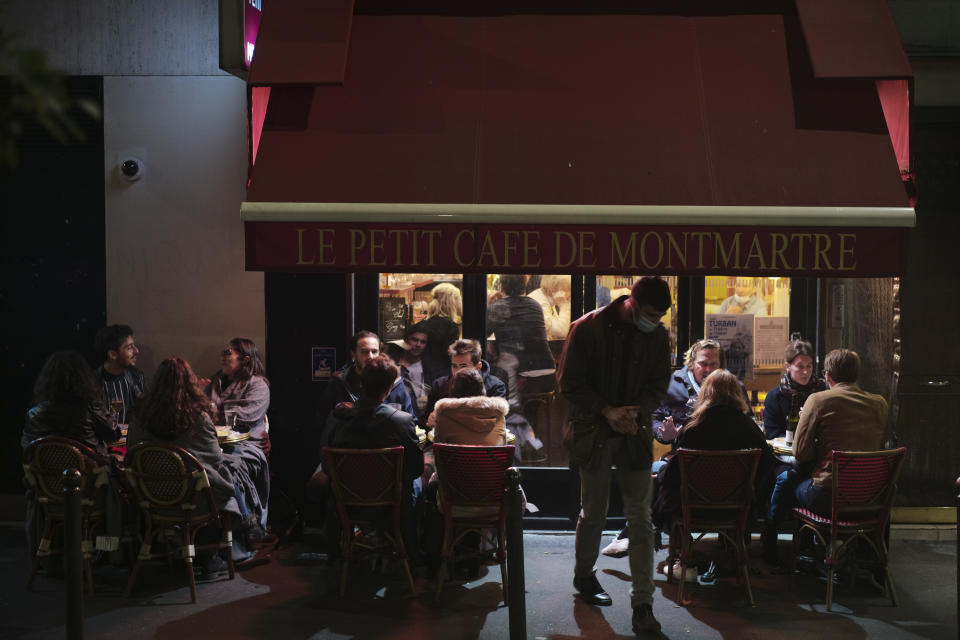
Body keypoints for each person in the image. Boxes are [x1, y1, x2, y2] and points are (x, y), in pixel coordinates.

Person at [558, 275, 672, 635]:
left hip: (632, 430)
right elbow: (568, 382)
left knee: (641, 519)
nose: (654, 321)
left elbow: (658, 382)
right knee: (594, 512)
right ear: (632, 304)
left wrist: (635, 412)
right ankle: (584, 575)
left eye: (660, 316)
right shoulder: (588, 328)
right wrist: (607, 410)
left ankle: (643, 603)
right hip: (594, 430)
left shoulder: (656, 334)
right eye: (651, 313)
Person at [603, 338, 748, 559]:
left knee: (663, 474)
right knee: (652, 471)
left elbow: (745, 425)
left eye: (713, 364)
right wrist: (664, 434)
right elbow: (654, 418)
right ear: (691, 362)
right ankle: (648, 532)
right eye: (703, 364)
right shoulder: (672, 385)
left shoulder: (733, 388)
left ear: (722, 365)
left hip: (721, 467)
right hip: (684, 460)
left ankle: (645, 532)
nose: (708, 369)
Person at [128, 357, 272, 576]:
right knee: (231, 470)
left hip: (151, 496)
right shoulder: (198, 418)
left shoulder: (139, 416)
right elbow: (213, 461)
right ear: (190, 383)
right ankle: (224, 545)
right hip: (195, 499)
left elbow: (132, 452)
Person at [323, 354, 424, 559]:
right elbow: (415, 469)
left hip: (348, 504)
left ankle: (339, 552)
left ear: (362, 383)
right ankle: (411, 550)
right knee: (417, 483)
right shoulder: (401, 421)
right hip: (391, 505)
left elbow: (327, 466)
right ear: (389, 388)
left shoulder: (337, 418)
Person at [652, 369, 776, 534]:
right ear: (736, 393)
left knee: (659, 469)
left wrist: (661, 473)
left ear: (705, 393)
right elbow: (766, 466)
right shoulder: (750, 428)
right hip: (737, 509)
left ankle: (672, 537)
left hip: (694, 508)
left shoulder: (693, 429)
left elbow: (675, 474)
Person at [792, 348, 889, 515]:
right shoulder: (880, 403)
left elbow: (799, 452)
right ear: (856, 374)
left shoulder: (817, 400)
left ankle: (802, 537)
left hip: (829, 496)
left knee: (790, 483)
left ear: (828, 376)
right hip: (870, 495)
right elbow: (881, 445)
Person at [24, 350, 120, 456]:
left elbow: (27, 449)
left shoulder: (34, 414)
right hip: (90, 471)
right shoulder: (90, 408)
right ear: (83, 377)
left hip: (47, 472)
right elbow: (113, 434)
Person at [320, 330, 416, 427]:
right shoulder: (339, 384)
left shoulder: (394, 382)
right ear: (353, 354)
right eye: (364, 352)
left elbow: (411, 421)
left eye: (374, 351)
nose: (370, 356)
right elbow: (324, 423)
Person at [486, 274, 555, 405]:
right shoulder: (535, 305)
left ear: (500, 287)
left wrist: (489, 306)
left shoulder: (497, 307)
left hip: (520, 376)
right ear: (524, 286)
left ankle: (505, 418)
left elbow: (482, 333)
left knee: (490, 376)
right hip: (547, 374)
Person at [424, 339, 506, 426]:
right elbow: (426, 419)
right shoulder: (439, 385)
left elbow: (498, 423)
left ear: (478, 367)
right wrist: (431, 419)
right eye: (454, 366)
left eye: (464, 366)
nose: (458, 371)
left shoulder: (495, 386)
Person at [763, 336, 827, 439]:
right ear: (788, 366)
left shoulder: (823, 391)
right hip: (785, 452)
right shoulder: (775, 397)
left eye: (809, 366)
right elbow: (772, 434)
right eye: (800, 366)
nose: (805, 372)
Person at [384, 322, 445, 424]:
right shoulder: (393, 363)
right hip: (398, 417)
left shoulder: (429, 367)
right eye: (415, 340)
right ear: (407, 340)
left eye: (423, 342)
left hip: (423, 420)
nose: (418, 345)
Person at [433, 368, 509, 446]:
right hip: (491, 458)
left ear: (453, 389)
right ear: (482, 388)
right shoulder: (498, 413)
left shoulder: (444, 414)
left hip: (457, 458)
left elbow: (439, 449)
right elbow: (503, 444)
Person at [92, 324, 147, 424]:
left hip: (131, 439)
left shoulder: (137, 378)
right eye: (129, 347)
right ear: (113, 354)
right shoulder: (92, 382)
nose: (136, 351)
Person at [420, 282, 462, 368]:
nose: (461, 301)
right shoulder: (451, 326)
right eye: (459, 298)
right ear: (452, 301)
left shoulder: (426, 322)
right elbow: (451, 358)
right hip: (441, 375)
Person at [528, 274, 572, 340]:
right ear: (555, 289)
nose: (570, 294)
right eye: (568, 289)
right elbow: (562, 331)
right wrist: (563, 306)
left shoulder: (545, 298)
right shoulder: (540, 303)